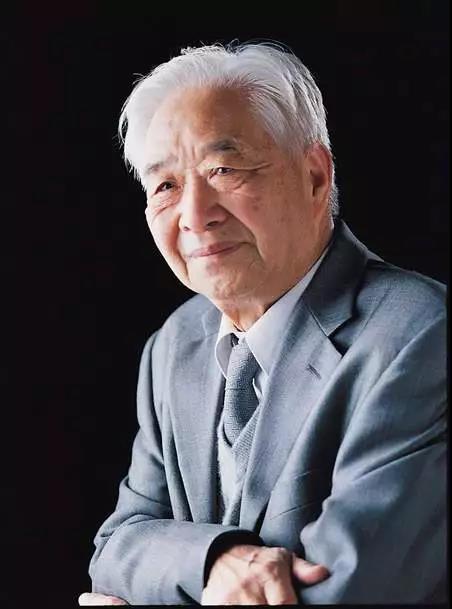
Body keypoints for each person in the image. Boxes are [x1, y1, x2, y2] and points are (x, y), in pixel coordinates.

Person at [79, 42, 446, 605]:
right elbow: (116, 549)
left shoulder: (417, 334)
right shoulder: (173, 346)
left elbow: (346, 591)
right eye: (166, 186)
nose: (195, 216)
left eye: (224, 169)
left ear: (315, 177)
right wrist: (216, 559)